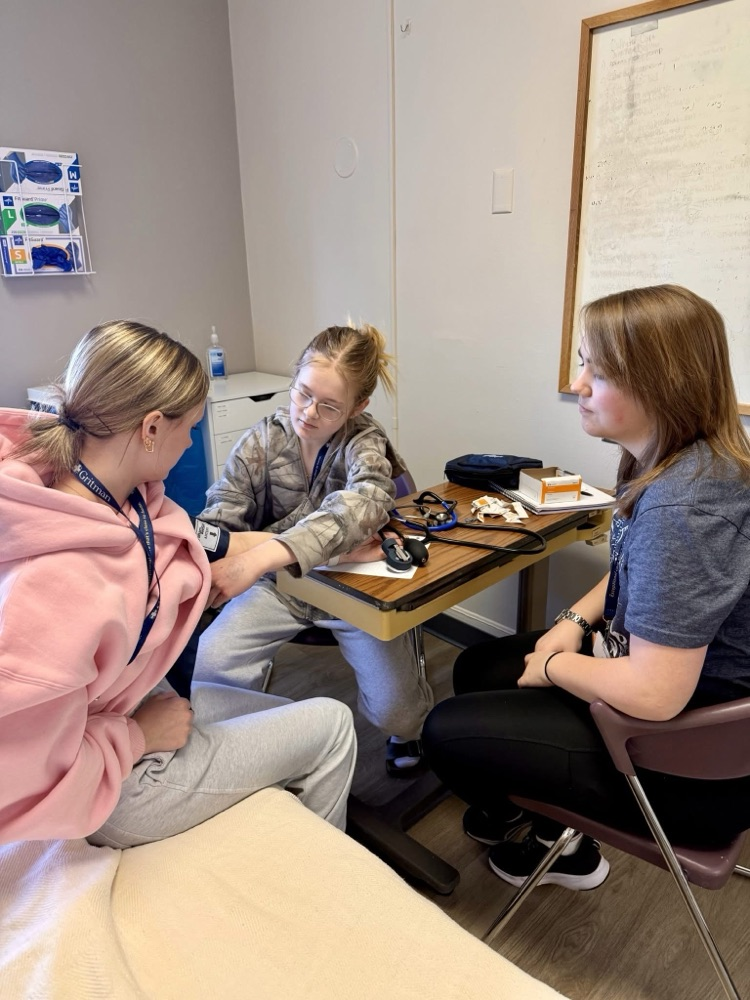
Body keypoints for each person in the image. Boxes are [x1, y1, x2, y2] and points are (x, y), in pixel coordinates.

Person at [423, 284, 750, 890]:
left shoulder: (687, 508)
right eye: (582, 363)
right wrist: (569, 625)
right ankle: (531, 816)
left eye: (597, 373)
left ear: (661, 384)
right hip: (678, 697)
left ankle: (568, 851)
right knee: (477, 667)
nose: (578, 384)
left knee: (444, 731)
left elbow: (655, 695)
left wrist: (552, 667)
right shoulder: (678, 460)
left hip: (690, 762)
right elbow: (636, 572)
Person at [0, 321, 356, 848]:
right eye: (189, 426)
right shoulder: (58, 582)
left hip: (133, 704)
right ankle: (314, 888)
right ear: (149, 429)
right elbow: (25, 774)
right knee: (333, 725)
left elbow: (205, 537)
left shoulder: (111, 491)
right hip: (112, 784)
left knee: (267, 710)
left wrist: (307, 545)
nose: (192, 440)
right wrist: (140, 736)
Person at [193, 323, 434, 775]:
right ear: (295, 377)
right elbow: (220, 521)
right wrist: (333, 550)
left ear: (357, 407)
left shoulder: (365, 443)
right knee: (213, 662)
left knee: (396, 712)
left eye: (329, 406)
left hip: (354, 591)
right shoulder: (262, 440)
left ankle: (409, 730)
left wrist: (259, 552)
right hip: (279, 585)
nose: (308, 413)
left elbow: (365, 505)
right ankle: (247, 751)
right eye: (302, 393)